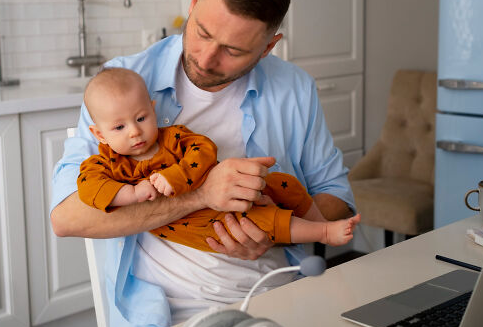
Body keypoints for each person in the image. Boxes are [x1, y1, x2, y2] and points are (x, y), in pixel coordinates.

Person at [50, 0, 357, 327]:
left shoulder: (294, 89)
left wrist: (275, 235)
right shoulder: (121, 87)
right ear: (194, 1)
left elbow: (338, 199)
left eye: (233, 50)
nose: (206, 58)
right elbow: (68, 218)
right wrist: (200, 195)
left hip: (276, 299)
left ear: (268, 47)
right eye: (202, 32)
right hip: (166, 317)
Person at [78, 67, 362, 250]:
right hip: (202, 223)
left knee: (283, 182)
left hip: (231, 190)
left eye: (141, 118)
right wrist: (130, 193)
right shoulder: (107, 165)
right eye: (119, 127)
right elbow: (89, 187)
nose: (135, 132)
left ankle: (317, 220)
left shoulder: (172, 136)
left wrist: (174, 176)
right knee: (263, 220)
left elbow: (203, 149)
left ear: (153, 109)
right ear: (99, 134)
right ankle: (322, 233)